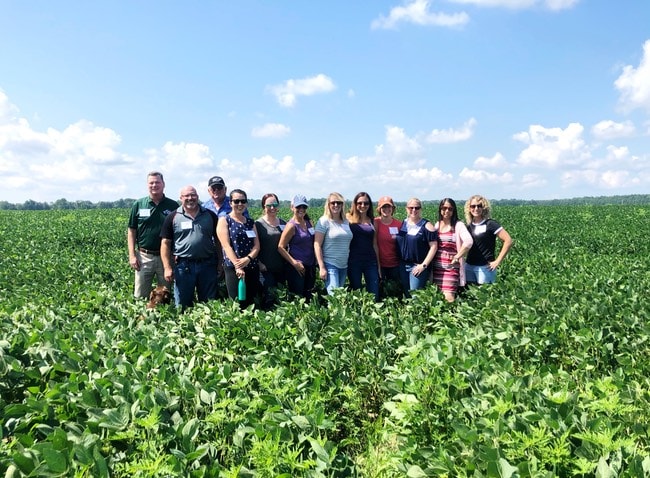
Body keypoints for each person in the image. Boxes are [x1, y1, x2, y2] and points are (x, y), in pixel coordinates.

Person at [160, 186, 220, 310]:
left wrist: (220, 262)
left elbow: (219, 241)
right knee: (182, 305)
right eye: (186, 196)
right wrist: (167, 267)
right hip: (183, 266)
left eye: (193, 195)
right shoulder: (173, 217)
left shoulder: (210, 215)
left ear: (197, 197)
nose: (190, 198)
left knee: (209, 304)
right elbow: (165, 243)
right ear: (181, 198)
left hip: (207, 264)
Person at [127, 171, 180, 299]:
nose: (154, 185)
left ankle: (164, 318)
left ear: (163, 184)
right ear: (147, 185)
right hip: (144, 256)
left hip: (166, 258)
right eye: (151, 182)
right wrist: (132, 255)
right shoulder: (139, 204)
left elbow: (178, 231)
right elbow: (131, 230)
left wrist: (177, 253)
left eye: (157, 182)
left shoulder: (173, 205)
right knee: (140, 295)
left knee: (165, 295)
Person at [217, 189, 260, 308]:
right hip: (233, 268)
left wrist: (249, 258)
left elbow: (257, 245)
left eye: (243, 201)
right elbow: (226, 245)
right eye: (236, 201)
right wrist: (238, 266)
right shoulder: (224, 220)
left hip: (251, 266)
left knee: (251, 302)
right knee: (237, 302)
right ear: (230, 203)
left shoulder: (251, 222)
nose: (240, 204)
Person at [464, 195, 513, 285]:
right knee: (469, 296)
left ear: (484, 208)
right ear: (469, 208)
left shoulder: (490, 224)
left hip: (485, 268)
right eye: (473, 206)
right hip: (469, 266)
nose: (476, 208)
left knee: (484, 296)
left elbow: (508, 240)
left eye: (479, 206)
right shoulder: (468, 226)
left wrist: (498, 261)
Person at [431, 198, 473, 302]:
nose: (447, 211)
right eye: (444, 208)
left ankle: (451, 317)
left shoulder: (458, 225)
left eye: (450, 209)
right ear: (440, 209)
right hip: (436, 269)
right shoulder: (437, 225)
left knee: (449, 297)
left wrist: (457, 256)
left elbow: (468, 242)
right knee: (437, 298)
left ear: (453, 211)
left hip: (451, 268)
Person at [277, 195, 316, 301]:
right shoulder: (291, 226)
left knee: (309, 297)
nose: (301, 209)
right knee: (298, 299)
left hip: (310, 266)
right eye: (298, 207)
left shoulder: (309, 222)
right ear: (292, 207)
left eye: (304, 207)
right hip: (297, 268)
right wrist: (294, 263)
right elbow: (280, 247)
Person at [396, 198, 438, 295]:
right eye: (411, 208)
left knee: (415, 296)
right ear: (406, 209)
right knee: (407, 295)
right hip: (403, 265)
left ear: (421, 209)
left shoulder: (427, 225)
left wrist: (423, 265)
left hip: (417, 266)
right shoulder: (403, 223)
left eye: (417, 208)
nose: (414, 210)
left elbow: (434, 247)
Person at [314, 192, 353, 295]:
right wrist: (321, 267)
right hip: (330, 264)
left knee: (340, 299)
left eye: (339, 203)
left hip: (343, 265)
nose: (336, 205)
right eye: (333, 203)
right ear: (328, 205)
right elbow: (317, 244)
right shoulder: (324, 221)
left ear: (342, 204)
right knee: (335, 299)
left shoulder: (346, 221)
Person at [346, 192, 380, 300]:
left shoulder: (372, 221)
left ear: (369, 205)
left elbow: (375, 244)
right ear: (355, 204)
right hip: (353, 261)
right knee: (356, 292)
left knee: (374, 292)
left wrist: (378, 265)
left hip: (370, 261)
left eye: (366, 203)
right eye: (359, 203)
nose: (363, 206)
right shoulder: (348, 219)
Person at [255, 193, 287, 309]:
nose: (272, 208)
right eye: (269, 205)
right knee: (268, 299)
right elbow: (253, 246)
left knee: (280, 300)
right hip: (265, 269)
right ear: (264, 206)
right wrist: (259, 263)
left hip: (281, 268)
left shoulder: (284, 223)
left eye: (275, 205)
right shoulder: (258, 224)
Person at [374, 196, 404, 298]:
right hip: (380, 265)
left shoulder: (399, 224)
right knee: (380, 292)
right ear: (379, 209)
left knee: (395, 292)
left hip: (395, 265)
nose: (386, 209)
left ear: (393, 208)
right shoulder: (375, 223)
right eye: (383, 207)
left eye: (389, 207)